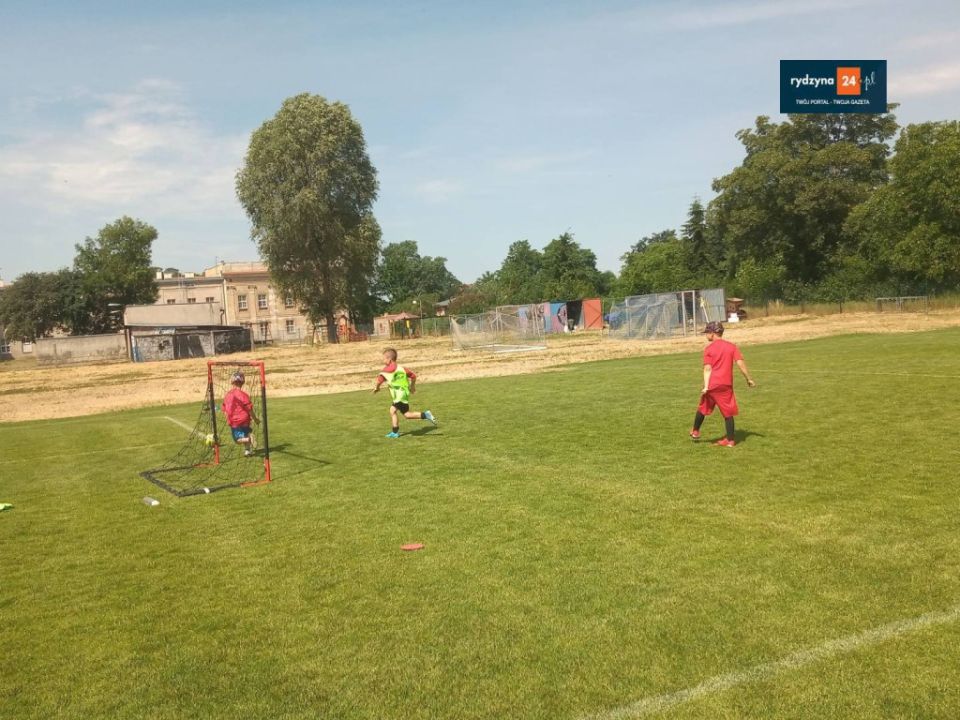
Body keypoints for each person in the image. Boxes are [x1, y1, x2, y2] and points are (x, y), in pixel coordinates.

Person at [690, 321, 756, 447]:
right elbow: (740, 363)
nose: (706, 335)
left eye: (707, 332)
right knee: (728, 413)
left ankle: (695, 431)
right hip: (726, 385)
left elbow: (707, 369)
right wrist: (748, 378)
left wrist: (706, 386)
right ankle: (730, 441)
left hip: (712, 385)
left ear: (713, 333)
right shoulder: (732, 347)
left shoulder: (709, 349)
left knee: (703, 408)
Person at [374, 348, 438, 438]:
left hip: (399, 396)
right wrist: (412, 387)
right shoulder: (402, 369)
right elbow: (413, 376)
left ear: (389, 359)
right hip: (403, 395)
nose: (382, 361)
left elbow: (379, 381)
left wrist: (377, 388)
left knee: (395, 411)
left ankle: (395, 432)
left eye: (383, 359)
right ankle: (425, 415)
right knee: (404, 414)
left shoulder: (386, 370)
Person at [222, 371, 259, 456]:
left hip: (235, 421)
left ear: (232, 381)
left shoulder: (228, 395)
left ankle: (249, 439)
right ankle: (247, 450)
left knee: (237, 439)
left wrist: (227, 419)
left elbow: (225, 409)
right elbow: (249, 409)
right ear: (242, 382)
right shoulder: (244, 395)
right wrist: (255, 419)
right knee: (245, 433)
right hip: (245, 419)